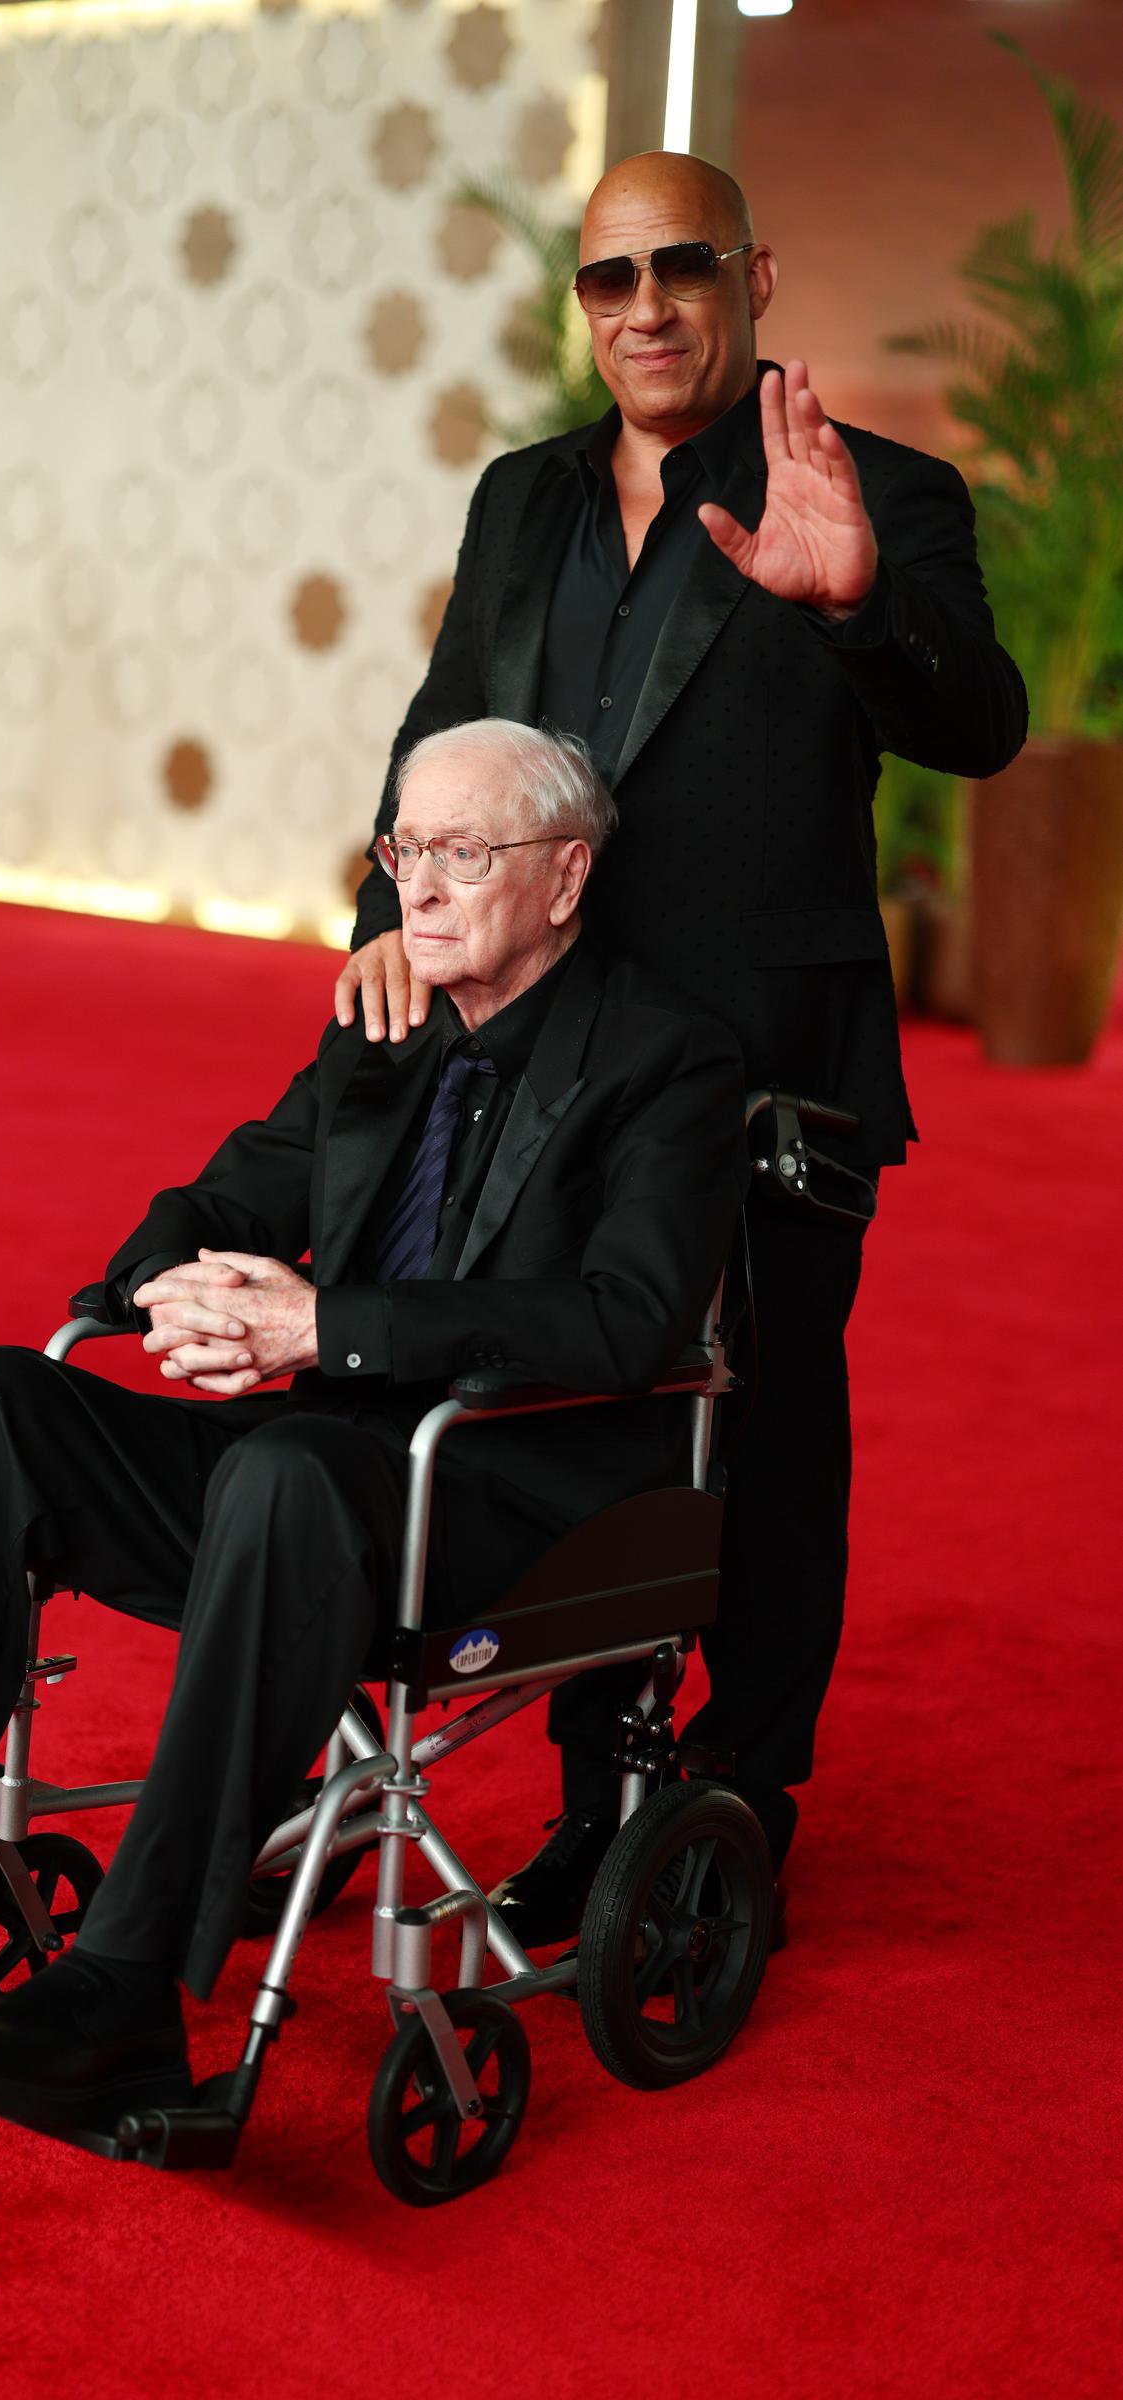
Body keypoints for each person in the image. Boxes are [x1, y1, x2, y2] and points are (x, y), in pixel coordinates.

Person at [0, 719, 746, 2134]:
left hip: (509, 1504)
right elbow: (210, 1202)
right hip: (303, 1487)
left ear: (563, 879)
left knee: (292, 1463)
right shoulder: (382, 1031)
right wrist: (174, 1290)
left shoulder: (668, 1059)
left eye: (461, 853)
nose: (417, 889)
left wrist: (325, 1327)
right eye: (403, 849)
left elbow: (625, 1318)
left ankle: (125, 1992)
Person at [336, 153, 1028, 1942]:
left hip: (767, 1068)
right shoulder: (522, 501)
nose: (642, 306)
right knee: (588, 1418)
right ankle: (600, 1794)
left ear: (755, 278)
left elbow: (981, 725)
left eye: (680, 268)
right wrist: (383, 915)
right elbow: (446, 726)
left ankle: (748, 1777)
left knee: (767, 1429)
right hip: (541, 1058)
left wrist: (855, 607)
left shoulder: (883, 492)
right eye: (606, 279)